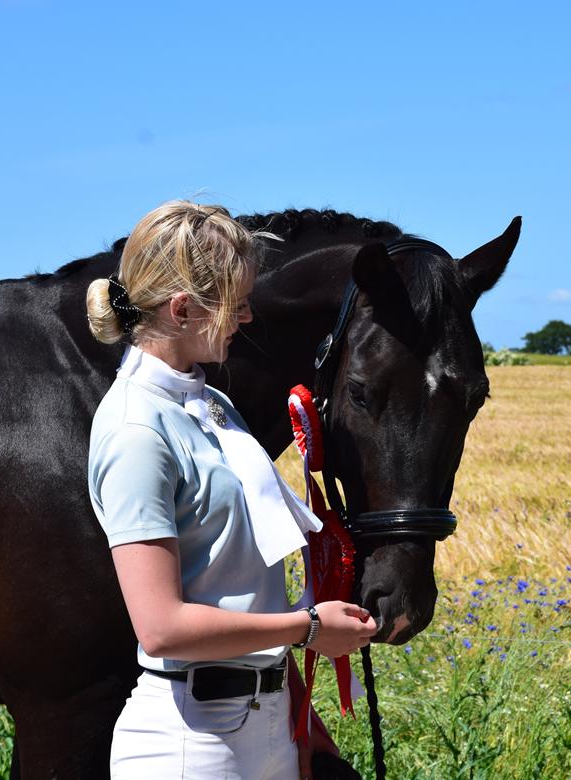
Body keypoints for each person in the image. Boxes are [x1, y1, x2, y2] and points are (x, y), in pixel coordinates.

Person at [85, 200, 377, 779]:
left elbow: (248, 593)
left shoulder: (212, 406)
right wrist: (310, 627)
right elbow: (162, 627)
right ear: (182, 309)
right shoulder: (135, 429)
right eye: (237, 302)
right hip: (189, 745)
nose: (246, 318)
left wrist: (306, 730)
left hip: (269, 725)